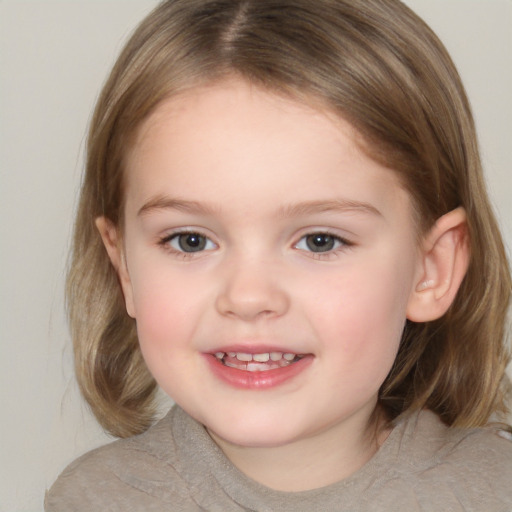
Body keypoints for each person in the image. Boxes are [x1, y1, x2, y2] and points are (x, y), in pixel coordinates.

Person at [45, 0, 512, 510]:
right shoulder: (98, 499)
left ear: (432, 270)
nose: (248, 297)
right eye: (190, 240)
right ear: (124, 268)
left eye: (320, 241)